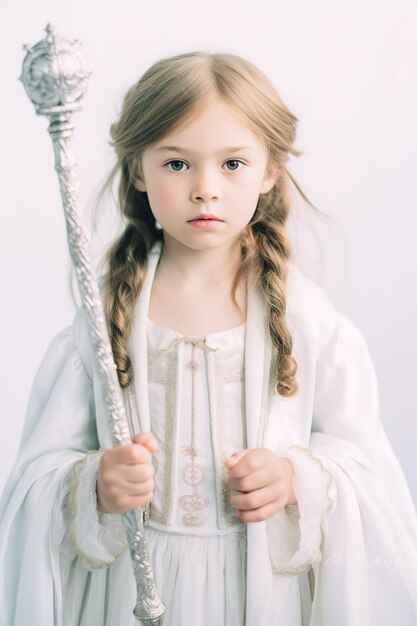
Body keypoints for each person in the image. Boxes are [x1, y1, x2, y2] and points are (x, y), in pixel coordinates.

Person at [0, 51, 416, 626]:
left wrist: (296, 479)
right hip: (129, 596)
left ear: (269, 169)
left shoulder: (308, 323)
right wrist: (93, 485)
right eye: (176, 164)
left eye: (233, 164)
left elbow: (370, 473)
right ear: (138, 170)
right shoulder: (102, 327)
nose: (205, 189)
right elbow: (33, 480)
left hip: (259, 597)